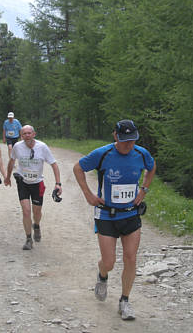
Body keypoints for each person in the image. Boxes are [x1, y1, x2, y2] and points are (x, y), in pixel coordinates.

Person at [73, 119, 156, 321]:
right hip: (107, 214)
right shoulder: (103, 154)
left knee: (130, 257)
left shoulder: (141, 153)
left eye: (132, 141)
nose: (129, 145)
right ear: (115, 136)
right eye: (125, 141)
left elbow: (151, 167)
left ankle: (125, 301)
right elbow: (78, 168)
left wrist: (143, 190)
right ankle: (102, 275)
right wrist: (88, 194)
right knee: (109, 262)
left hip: (131, 213)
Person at [4, 125, 62, 250]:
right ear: (21, 136)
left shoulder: (42, 147)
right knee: (26, 211)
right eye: (24, 133)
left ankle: (36, 225)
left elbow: (54, 164)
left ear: (34, 134)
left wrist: (58, 183)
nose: (27, 135)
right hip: (23, 182)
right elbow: (11, 161)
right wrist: (7, 177)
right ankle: (28, 238)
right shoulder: (17, 147)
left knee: (37, 212)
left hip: (37, 183)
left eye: (29, 133)